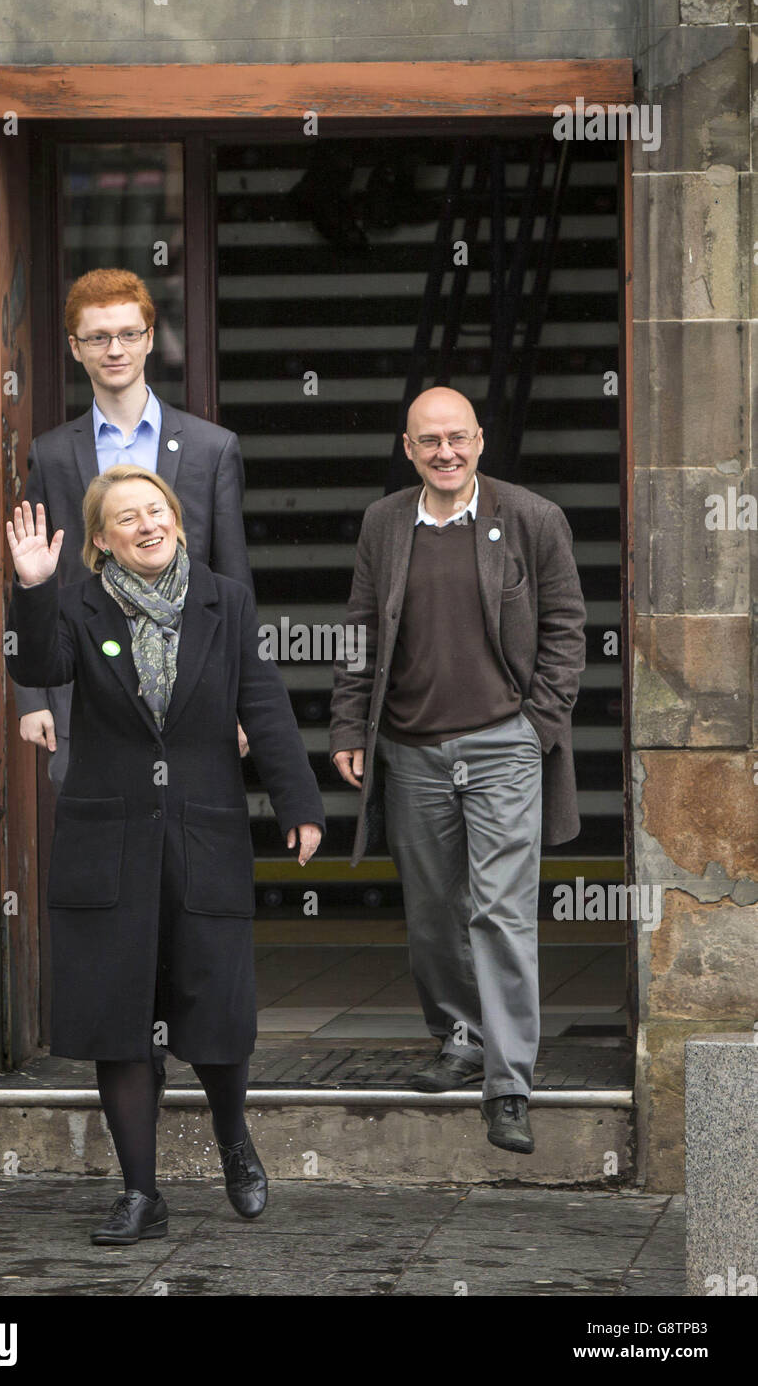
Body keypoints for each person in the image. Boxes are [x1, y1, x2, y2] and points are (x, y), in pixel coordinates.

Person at [5, 467, 325, 1243]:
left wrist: (300, 802)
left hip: (201, 835)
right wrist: (34, 588)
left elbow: (262, 699)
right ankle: (141, 1193)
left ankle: (234, 1142)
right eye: (126, 518)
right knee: (118, 1021)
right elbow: (38, 667)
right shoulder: (79, 603)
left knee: (213, 1010)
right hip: (107, 844)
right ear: (101, 541)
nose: (146, 525)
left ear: (177, 520)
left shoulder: (225, 598)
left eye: (156, 511)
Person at [329, 387, 587, 1155]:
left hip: (504, 743)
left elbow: (569, 627)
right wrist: (349, 721)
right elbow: (359, 630)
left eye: (458, 438)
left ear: (480, 440)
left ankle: (509, 1084)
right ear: (407, 449)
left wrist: (535, 725)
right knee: (435, 910)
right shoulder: (385, 523)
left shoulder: (533, 519)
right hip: (409, 749)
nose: (446, 452)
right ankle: (461, 1037)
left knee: (500, 911)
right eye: (429, 440)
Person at [12, 267, 254, 791]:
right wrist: (33, 696)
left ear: (149, 337)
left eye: (127, 334)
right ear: (75, 348)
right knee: (97, 859)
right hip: (84, 694)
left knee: (188, 856)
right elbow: (31, 569)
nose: (114, 349)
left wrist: (241, 702)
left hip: (193, 687)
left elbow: (233, 580)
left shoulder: (212, 449)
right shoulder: (51, 454)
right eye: (98, 337)